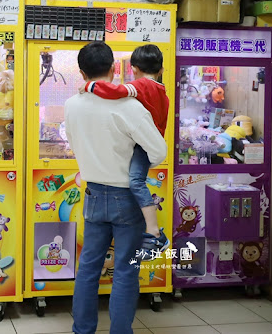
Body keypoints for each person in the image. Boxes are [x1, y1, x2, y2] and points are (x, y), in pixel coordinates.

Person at [65, 42, 167, 334]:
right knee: (125, 270)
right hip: (126, 197)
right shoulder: (130, 106)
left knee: (88, 268)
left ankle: (82, 330)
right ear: (114, 68)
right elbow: (159, 152)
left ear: (82, 73)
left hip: (94, 194)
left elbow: (73, 143)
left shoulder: (72, 104)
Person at [82, 44, 169, 259]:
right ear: (161, 70)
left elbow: (116, 91)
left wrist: (90, 87)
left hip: (141, 146)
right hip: (148, 142)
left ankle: (155, 232)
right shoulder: (162, 91)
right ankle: (153, 232)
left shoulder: (139, 86)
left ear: (134, 68)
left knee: (136, 182)